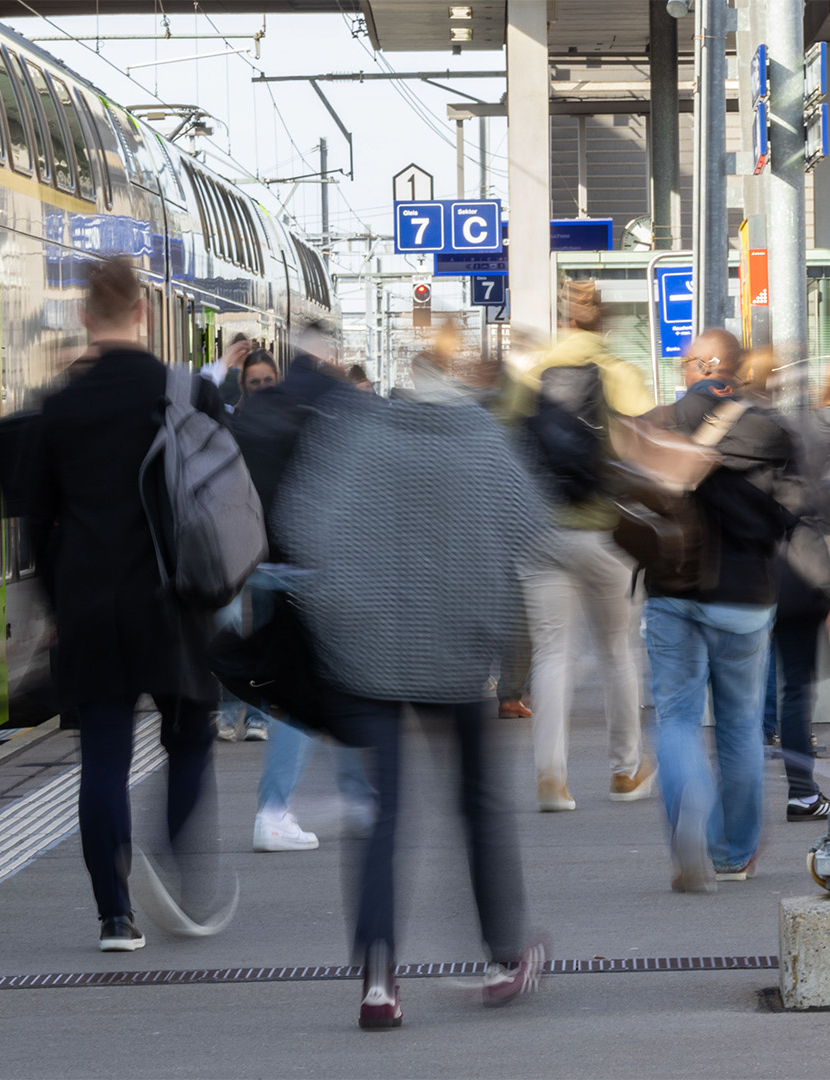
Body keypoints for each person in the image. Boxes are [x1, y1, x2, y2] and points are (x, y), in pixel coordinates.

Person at [274, 341, 555, 1029]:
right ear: (459, 387)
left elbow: (301, 528)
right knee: (478, 805)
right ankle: (502, 955)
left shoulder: (359, 433)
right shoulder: (483, 439)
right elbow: (532, 529)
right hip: (458, 658)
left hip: (363, 658)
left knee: (380, 816)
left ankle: (378, 980)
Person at [26, 256, 227, 952]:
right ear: (143, 312)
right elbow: (222, 491)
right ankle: (172, 863)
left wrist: (56, 607)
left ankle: (115, 914)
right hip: (174, 604)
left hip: (88, 605)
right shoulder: (184, 392)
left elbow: (35, 524)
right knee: (191, 740)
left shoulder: (57, 406)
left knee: (104, 760)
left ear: (84, 314)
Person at [641, 329, 804, 891]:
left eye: (685, 359)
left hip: (670, 592)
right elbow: (802, 511)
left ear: (703, 365)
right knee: (738, 727)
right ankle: (734, 854)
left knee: (678, 719)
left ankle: (690, 813)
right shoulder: (771, 429)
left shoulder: (659, 423)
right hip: (745, 599)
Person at [222, 324, 375, 851]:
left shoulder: (258, 409)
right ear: (330, 355)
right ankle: (275, 811)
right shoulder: (337, 406)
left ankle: (358, 797)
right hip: (318, 570)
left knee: (332, 686)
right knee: (314, 694)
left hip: (264, 567)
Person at [507, 279, 655, 811]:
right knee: (618, 650)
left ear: (563, 319)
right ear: (604, 323)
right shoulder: (619, 372)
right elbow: (645, 449)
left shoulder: (531, 376)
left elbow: (503, 443)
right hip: (602, 534)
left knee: (552, 654)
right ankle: (625, 771)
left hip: (539, 533)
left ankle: (552, 779)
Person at [766, 354, 830, 820]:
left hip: (730, 584)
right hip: (791, 588)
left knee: (746, 691)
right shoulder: (798, 468)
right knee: (796, 688)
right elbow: (805, 534)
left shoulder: (741, 438)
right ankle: (801, 792)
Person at [215, 349, 286, 744]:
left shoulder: (289, 422)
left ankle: (258, 715)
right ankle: (228, 711)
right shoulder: (229, 424)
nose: (261, 388)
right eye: (254, 382)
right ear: (243, 387)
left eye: (267, 381)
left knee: (262, 630)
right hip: (231, 542)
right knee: (227, 629)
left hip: (270, 547)